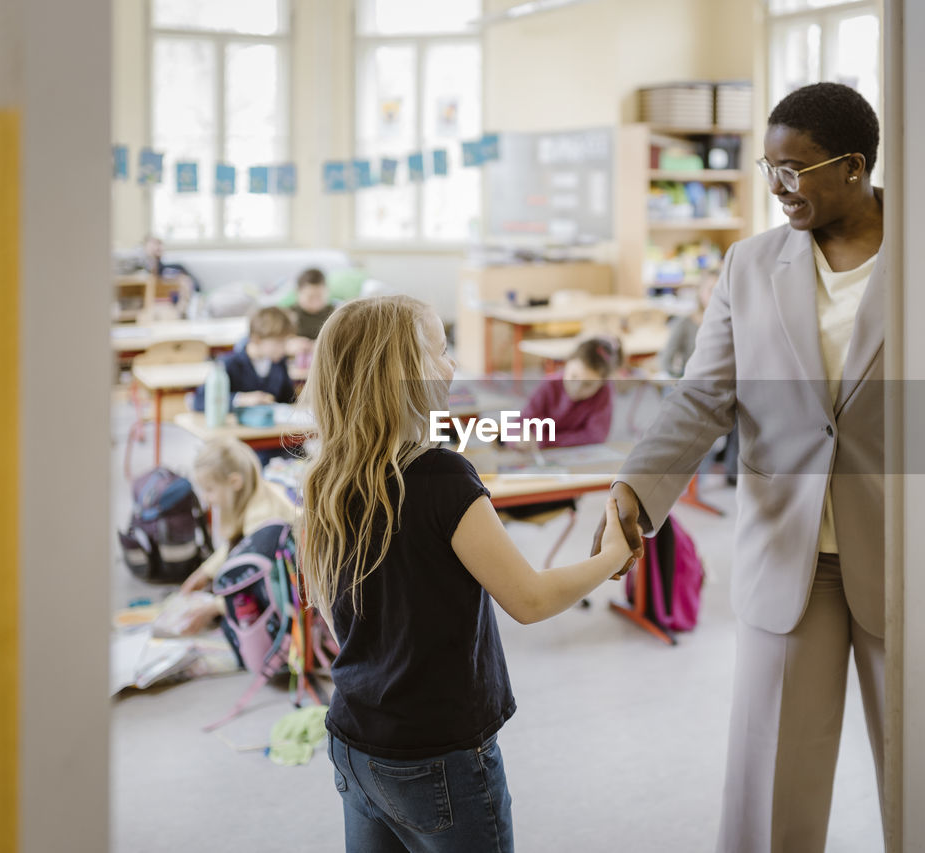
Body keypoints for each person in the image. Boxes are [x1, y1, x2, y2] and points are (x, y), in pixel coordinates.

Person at [591, 82, 888, 853]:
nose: (779, 187)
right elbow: (703, 396)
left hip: (909, 558)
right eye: (769, 168)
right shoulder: (751, 265)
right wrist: (636, 484)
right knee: (770, 794)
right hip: (791, 559)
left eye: (797, 169)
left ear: (853, 167)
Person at [296, 295, 636, 853]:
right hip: (437, 756)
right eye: (442, 350)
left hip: (354, 741)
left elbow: (339, 623)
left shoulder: (327, 478)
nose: (453, 367)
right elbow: (528, 600)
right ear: (403, 372)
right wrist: (608, 560)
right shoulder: (443, 479)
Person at [175, 437, 298, 632]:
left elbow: (260, 581)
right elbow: (236, 547)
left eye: (210, 490)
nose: (206, 500)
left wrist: (214, 607)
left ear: (235, 482)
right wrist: (205, 572)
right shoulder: (257, 493)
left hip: (294, 596)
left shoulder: (261, 519)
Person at [517, 336, 619, 448]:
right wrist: (520, 437)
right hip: (542, 453)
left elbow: (596, 436)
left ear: (602, 383)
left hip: (573, 455)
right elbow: (518, 424)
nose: (577, 388)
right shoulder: (549, 385)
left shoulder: (604, 392)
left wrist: (545, 441)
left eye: (588, 384)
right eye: (573, 377)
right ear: (566, 364)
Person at [191, 306, 298, 412]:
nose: (284, 348)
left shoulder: (278, 363)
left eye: (286, 342)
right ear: (257, 339)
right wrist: (240, 399)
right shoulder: (229, 363)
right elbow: (199, 401)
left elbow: (288, 400)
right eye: (279, 342)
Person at [288, 267, 335, 354]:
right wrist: (289, 345)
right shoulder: (289, 314)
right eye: (310, 297)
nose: (315, 302)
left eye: (320, 296)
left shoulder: (335, 313)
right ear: (298, 293)